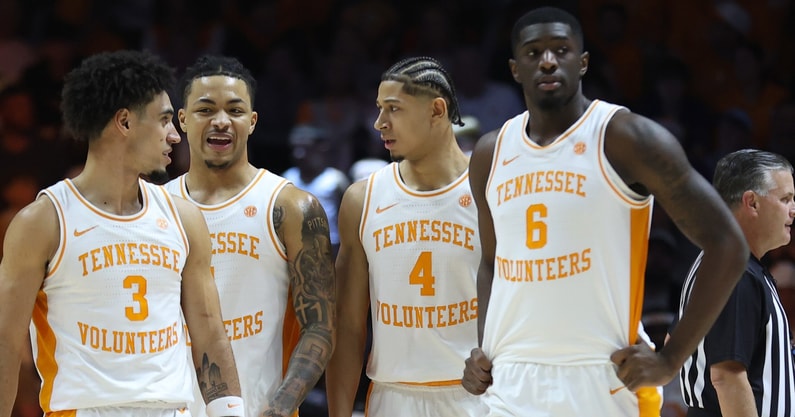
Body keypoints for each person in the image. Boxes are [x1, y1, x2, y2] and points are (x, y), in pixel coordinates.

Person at [461, 7, 749, 416]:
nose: (547, 60)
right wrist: (483, 347)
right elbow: (492, 262)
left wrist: (671, 359)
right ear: (514, 68)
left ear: (582, 63)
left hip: (605, 376)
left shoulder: (626, 137)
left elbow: (728, 244)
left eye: (561, 50)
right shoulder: (491, 152)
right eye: (534, 51)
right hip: (512, 380)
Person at [0, 50, 244, 417]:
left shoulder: (183, 217)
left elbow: (209, 331)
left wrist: (230, 411)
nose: (175, 135)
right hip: (85, 409)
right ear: (125, 122)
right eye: (163, 120)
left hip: (171, 410)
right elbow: (5, 342)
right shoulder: (44, 221)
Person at [164, 55, 335, 417]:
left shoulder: (291, 206)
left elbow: (320, 328)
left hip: (261, 408)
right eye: (205, 110)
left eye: (235, 110)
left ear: (253, 121)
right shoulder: (156, 208)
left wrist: (279, 407)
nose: (221, 121)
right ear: (182, 120)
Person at [325, 56, 487, 417]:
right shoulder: (362, 199)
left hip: (480, 398)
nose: (379, 123)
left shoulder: (490, 190)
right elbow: (349, 327)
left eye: (393, 109)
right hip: (393, 397)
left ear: (437, 110)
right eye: (379, 109)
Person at [675, 149, 795, 416]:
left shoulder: (719, 261)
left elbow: (676, 340)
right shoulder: (736, 272)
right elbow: (726, 377)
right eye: (786, 199)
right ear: (752, 202)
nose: (793, 210)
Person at [282, 124, 350, 257]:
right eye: (296, 148)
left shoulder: (334, 180)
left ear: (320, 149)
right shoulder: (288, 179)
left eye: (306, 148)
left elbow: (348, 219)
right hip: (296, 247)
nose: (299, 154)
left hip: (331, 247)